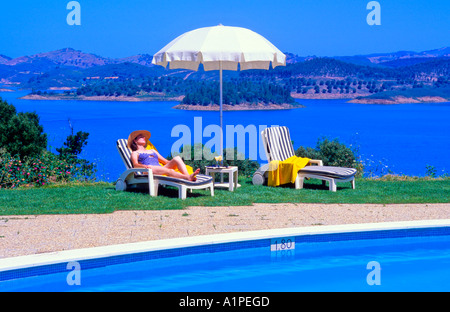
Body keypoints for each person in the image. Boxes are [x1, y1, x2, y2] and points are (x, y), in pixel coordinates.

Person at [128, 130, 200, 181]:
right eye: (141, 137)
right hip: (149, 170)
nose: (144, 138)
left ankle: (188, 176)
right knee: (170, 171)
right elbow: (135, 164)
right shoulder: (135, 153)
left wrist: (175, 162)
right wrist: (144, 166)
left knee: (177, 158)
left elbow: (165, 161)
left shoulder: (152, 151)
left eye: (144, 137)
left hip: (159, 168)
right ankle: (188, 178)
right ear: (135, 140)